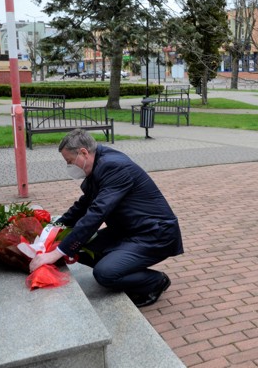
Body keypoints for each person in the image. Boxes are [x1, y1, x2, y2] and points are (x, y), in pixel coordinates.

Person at [29, 129, 183, 307]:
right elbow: (83, 205)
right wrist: (52, 230)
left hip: (153, 234)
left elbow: (96, 213)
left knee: (105, 274)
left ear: (84, 153)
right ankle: (124, 267)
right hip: (127, 230)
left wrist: (57, 252)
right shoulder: (99, 163)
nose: (69, 166)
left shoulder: (113, 166)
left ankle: (155, 281)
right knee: (78, 249)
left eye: (69, 161)